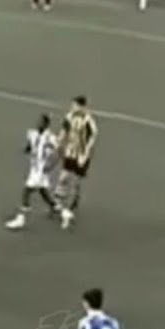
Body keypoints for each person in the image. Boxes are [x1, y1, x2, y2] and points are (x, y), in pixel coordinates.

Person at [5, 114, 61, 230]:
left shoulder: (50, 138)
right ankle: (57, 208)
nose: (38, 123)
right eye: (38, 121)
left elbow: (59, 152)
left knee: (27, 191)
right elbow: (30, 146)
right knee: (42, 190)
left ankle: (21, 218)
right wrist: (27, 149)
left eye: (41, 122)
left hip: (41, 168)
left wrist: (50, 165)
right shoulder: (32, 133)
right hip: (34, 167)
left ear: (46, 124)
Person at [55, 96, 98, 229]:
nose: (72, 107)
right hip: (70, 152)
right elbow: (64, 130)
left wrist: (85, 154)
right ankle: (58, 202)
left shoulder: (88, 120)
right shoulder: (69, 117)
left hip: (81, 155)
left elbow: (92, 138)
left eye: (74, 105)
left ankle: (71, 208)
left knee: (76, 183)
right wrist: (59, 141)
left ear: (82, 106)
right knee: (63, 177)